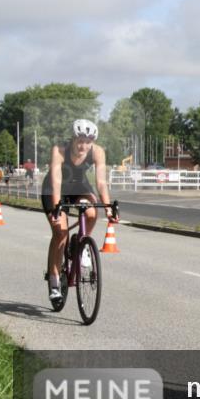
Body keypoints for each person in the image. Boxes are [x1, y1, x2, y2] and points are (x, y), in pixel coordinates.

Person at [41, 119, 113, 303]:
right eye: (80, 141)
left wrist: (108, 208)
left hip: (79, 185)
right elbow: (56, 180)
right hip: (54, 189)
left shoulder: (98, 152)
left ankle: (81, 244)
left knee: (91, 212)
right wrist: (57, 208)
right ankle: (55, 281)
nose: (83, 146)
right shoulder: (59, 150)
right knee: (61, 233)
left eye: (88, 142)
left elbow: (101, 183)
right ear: (73, 139)